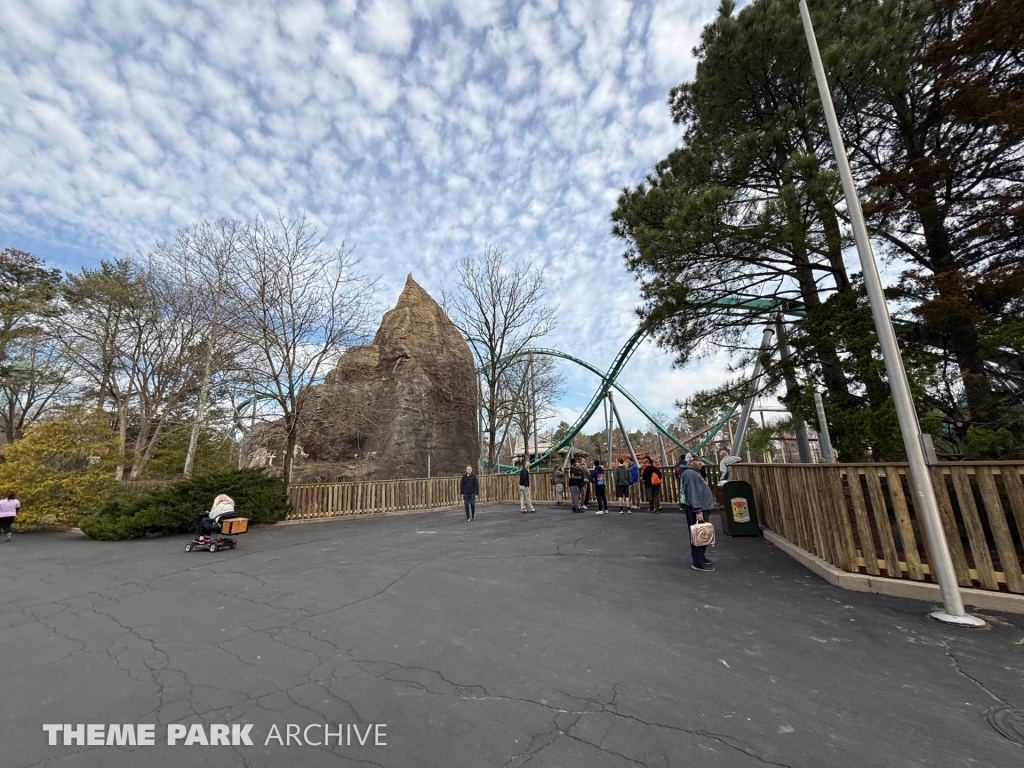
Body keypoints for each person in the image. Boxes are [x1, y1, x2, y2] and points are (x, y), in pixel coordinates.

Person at [680, 453, 717, 571]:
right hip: (697, 509)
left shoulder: (692, 473)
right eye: (697, 460)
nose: (700, 462)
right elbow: (693, 493)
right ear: (690, 462)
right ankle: (698, 561)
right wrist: (698, 510)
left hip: (701, 507)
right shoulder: (690, 474)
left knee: (702, 533)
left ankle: (701, 556)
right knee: (699, 534)